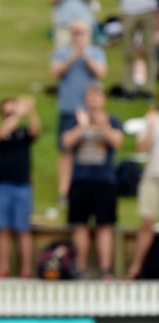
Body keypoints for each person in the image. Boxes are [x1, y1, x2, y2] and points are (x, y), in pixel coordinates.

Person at [61, 83, 123, 279]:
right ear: (85, 98)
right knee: (79, 224)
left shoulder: (112, 120)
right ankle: (79, 267)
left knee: (105, 225)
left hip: (104, 180)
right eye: (90, 96)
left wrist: (102, 125)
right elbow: (66, 143)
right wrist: (83, 125)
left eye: (97, 96)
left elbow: (117, 142)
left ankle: (106, 269)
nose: (94, 100)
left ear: (103, 99)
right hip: (80, 179)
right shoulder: (76, 120)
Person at [51, 18, 107, 203]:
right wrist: (73, 55)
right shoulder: (62, 53)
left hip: (91, 111)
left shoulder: (96, 53)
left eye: (81, 32)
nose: (77, 36)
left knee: (92, 150)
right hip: (68, 109)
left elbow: (100, 73)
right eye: (74, 32)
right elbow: (55, 72)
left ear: (88, 33)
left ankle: (90, 190)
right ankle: (63, 192)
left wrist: (85, 54)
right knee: (66, 150)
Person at [0, 96, 41, 278]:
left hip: (22, 185)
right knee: (3, 228)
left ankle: (26, 269)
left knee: (23, 229)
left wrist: (31, 110)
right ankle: (3, 267)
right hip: (2, 184)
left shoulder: (23, 132)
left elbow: (36, 129)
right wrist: (18, 114)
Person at [128, 107, 159, 279]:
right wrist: (149, 126)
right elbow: (140, 148)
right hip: (153, 176)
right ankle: (135, 268)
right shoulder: (153, 116)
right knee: (147, 222)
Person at [119, 0, 158, 99]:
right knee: (128, 53)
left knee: (150, 53)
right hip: (128, 11)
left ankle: (148, 89)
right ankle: (129, 88)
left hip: (149, 10)